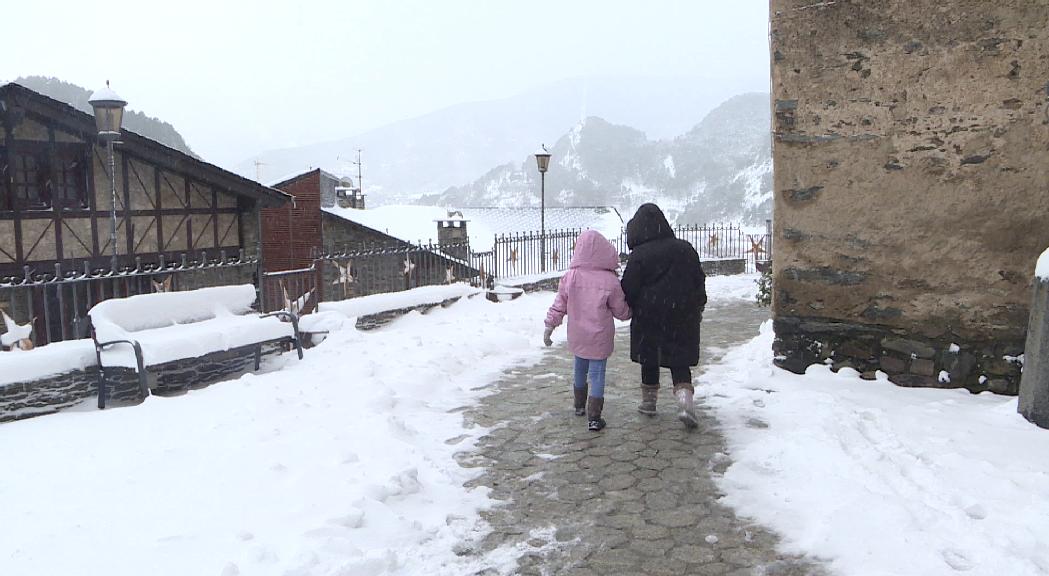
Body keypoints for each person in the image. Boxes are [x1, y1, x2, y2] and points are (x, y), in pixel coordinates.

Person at [620, 203, 706, 429]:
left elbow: (628, 287)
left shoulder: (639, 255)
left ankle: (649, 403)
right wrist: (698, 305)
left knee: (650, 358)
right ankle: (685, 403)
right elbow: (699, 281)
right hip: (683, 315)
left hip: (649, 317)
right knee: (679, 360)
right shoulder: (685, 249)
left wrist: (630, 306)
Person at [544, 230, 632, 431]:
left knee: (579, 369)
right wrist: (630, 312)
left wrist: (550, 325)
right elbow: (620, 310)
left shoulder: (571, 277)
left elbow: (560, 305)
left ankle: (578, 406)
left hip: (577, 335)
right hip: (600, 336)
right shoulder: (609, 280)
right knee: (597, 374)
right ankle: (594, 416)